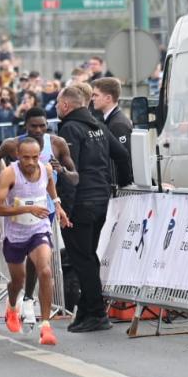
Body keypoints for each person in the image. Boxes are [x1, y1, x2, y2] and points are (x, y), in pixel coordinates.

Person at [55, 85, 133, 333]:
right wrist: (122, 183)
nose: (56, 108)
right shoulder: (99, 126)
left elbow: (70, 173)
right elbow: (121, 155)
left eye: (58, 104)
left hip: (80, 202)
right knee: (88, 255)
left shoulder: (70, 128)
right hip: (101, 199)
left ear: (66, 105)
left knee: (82, 258)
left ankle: (97, 313)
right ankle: (86, 310)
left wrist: (64, 208)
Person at [0, 137, 71, 346]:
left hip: (39, 229)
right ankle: (11, 306)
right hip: (15, 234)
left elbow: (50, 187)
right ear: (18, 155)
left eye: (35, 157)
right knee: (18, 281)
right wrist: (28, 209)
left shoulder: (45, 169)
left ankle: (45, 325)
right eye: (26, 157)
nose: (30, 162)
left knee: (45, 270)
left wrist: (59, 207)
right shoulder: (10, 173)